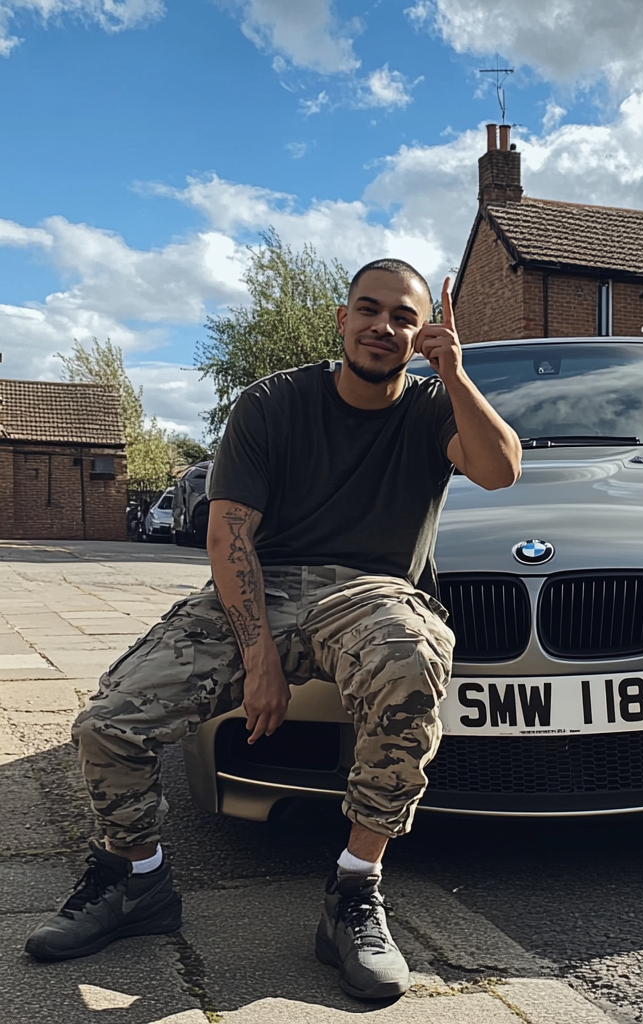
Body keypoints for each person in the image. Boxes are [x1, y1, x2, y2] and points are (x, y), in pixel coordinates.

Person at [24, 259, 522, 1000]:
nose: (383, 327)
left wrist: (454, 375)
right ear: (343, 319)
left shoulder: (431, 406)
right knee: (108, 721)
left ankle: (354, 890)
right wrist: (259, 658)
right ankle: (135, 879)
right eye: (368, 309)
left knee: (412, 658)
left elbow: (500, 470)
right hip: (265, 581)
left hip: (371, 592)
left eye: (403, 318)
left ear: (422, 333)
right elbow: (229, 535)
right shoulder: (274, 402)